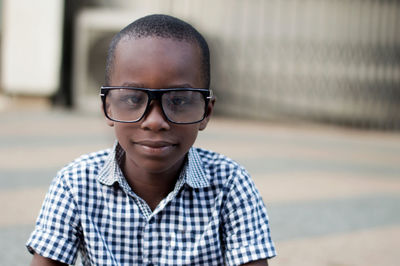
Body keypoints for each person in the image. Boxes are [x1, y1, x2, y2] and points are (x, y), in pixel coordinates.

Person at [26, 14, 276, 265]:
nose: (155, 121)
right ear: (107, 108)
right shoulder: (75, 184)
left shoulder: (230, 185)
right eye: (134, 99)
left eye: (178, 100)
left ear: (206, 112)